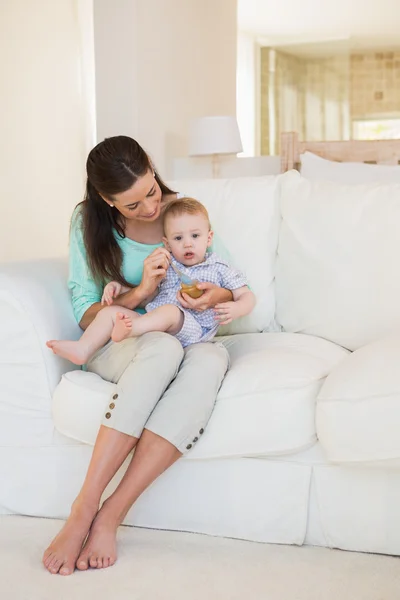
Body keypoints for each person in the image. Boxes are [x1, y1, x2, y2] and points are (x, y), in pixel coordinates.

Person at [42, 136, 233, 576]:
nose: (150, 208)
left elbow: (227, 278)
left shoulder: (184, 214)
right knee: (163, 348)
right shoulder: (86, 223)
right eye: (133, 205)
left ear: (151, 167)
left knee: (210, 360)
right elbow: (86, 312)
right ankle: (83, 507)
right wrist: (142, 292)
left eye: (150, 191)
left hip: (185, 336)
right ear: (107, 201)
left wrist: (210, 296)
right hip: (119, 341)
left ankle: (111, 514)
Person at [47, 198, 256, 363]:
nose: (187, 244)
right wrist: (118, 287)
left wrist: (236, 309)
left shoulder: (219, 267)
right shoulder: (168, 263)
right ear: (166, 242)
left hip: (194, 329)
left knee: (171, 311)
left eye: (195, 236)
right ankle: (83, 349)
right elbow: (150, 294)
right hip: (155, 322)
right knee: (110, 312)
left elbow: (246, 295)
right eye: (178, 238)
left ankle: (130, 330)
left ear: (209, 238)